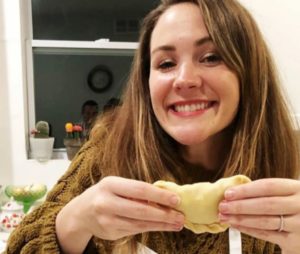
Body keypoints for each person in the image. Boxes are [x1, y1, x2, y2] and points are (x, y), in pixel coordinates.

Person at [6, 0, 300, 253]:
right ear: (146, 83)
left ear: (249, 72)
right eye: (166, 63)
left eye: (211, 57)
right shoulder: (107, 154)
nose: (184, 79)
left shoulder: (292, 165)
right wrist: (74, 223)